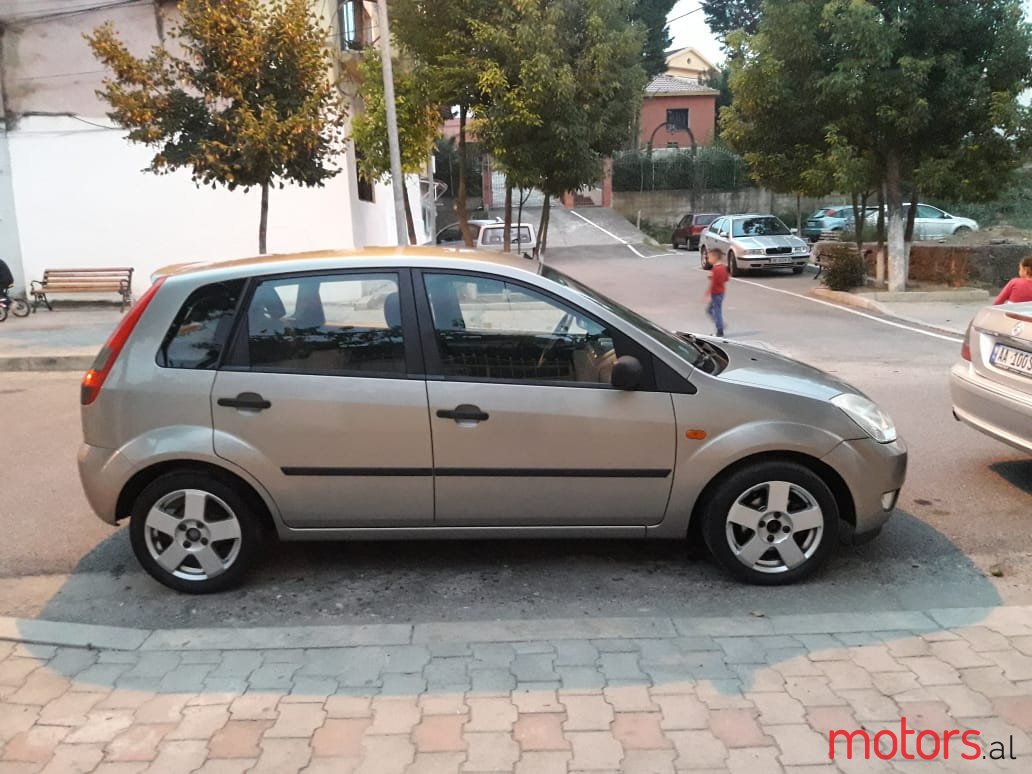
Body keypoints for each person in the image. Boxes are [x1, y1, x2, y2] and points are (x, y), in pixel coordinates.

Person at [705, 250, 729, 337]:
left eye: (709, 258)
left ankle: (720, 330)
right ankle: (720, 325)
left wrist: (708, 294)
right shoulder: (723, 267)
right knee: (711, 310)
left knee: (716, 311)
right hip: (721, 292)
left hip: (716, 293)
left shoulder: (715, 269)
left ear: (715, 257)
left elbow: (713, 284)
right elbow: (726, 278)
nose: (708, 260)